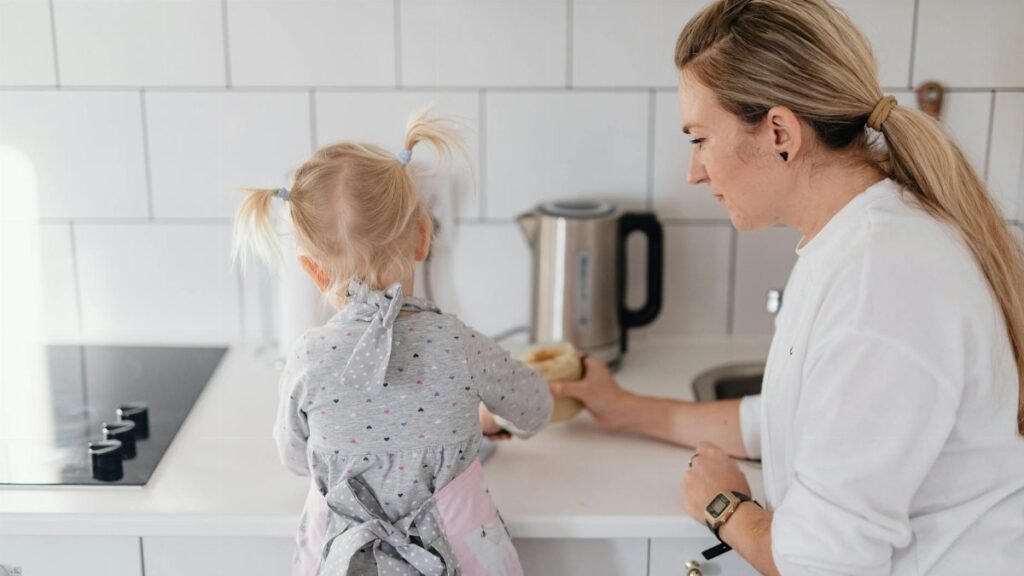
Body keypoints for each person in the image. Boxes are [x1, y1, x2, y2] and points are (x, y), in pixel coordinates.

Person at [553, 0, 1024, 574]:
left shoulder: (882, 279)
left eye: (700, 138)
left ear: (780, 132)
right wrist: (622, 409)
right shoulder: (855, 238)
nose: (692, 171)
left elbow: (822, 563)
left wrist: (725, 507)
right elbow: (787, 419)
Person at [233, 110, 553, 576]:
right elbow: (536, 407)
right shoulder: (455, 343)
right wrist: (477, 419)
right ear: (423, 237)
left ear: (313, 271)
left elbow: (296, 458)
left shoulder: (308, 358)